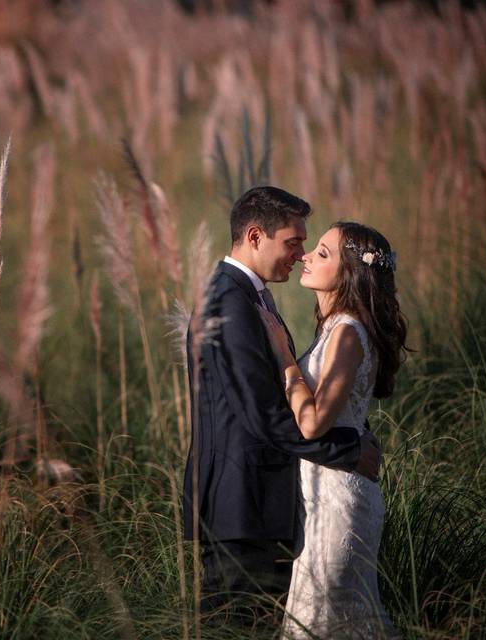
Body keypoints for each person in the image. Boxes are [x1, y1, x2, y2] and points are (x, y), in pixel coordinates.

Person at [183, 187, 382, 628]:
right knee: (237, 626)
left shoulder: (249, 294)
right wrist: (347, 451)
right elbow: (264, 416)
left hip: (265, 504)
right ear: (255, 236)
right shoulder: (228, 302)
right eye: (293, 242)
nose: (300, 254)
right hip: (241, 506)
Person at [259, 221, 406, 639]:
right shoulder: (334, 328)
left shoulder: (347, 332)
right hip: (322, 494)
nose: (305, 256)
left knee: (321, 621)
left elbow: (313, 422)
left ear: (348, 273)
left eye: (322, 253)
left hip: (340, 501)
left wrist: (285, 358)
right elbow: (350, 411)